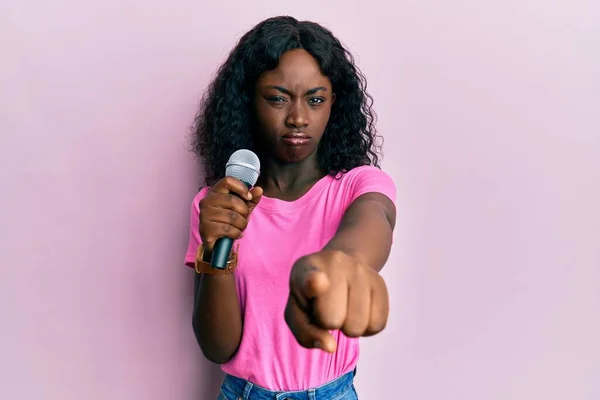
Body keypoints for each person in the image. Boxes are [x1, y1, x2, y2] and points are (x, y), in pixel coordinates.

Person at [184, 15, 396, 400]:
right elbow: (218, 347)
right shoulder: (217, 205)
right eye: (278, 98)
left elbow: (373, 221)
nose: (298, 118)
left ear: (334, 102)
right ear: (249, 100)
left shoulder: (358, 185)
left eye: (315, 100)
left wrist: (339, 262)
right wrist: (217, 249)